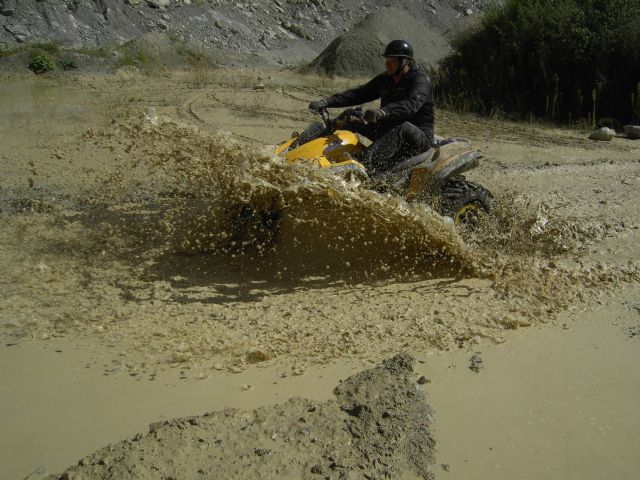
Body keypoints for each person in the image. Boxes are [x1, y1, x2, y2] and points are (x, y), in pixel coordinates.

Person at [308, 40, 434, 174]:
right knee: (352, 116)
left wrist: (383, 112)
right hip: (389, 129)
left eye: (392, 61)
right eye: (386, 60)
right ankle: (311, 148)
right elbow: (358, 94)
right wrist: (327, 102)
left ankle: (362, 166)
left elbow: (411, 105)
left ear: (405, 62)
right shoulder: (386, 79)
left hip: (418, 139)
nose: (387, 64)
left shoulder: (420, 80)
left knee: (403, 127)